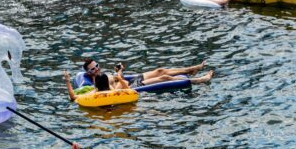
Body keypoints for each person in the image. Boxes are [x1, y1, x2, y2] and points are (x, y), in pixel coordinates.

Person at [76, 57, 213, 89]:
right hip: (129, 87)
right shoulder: (96, 83)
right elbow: (117, 89)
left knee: (160, 71)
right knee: (164, 77)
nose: (96, 69)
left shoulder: (101, 75)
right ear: (88, 72)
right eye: (93, 69)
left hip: (126, 81)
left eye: (97, 66)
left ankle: (191, 69)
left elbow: (119, 79)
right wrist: (119, 74)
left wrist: (119, 72)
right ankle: (200, 80)